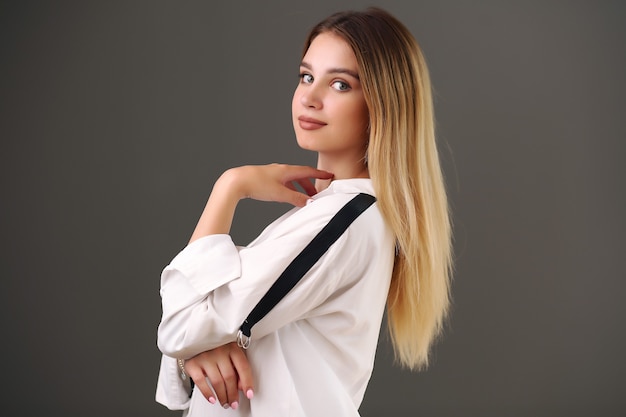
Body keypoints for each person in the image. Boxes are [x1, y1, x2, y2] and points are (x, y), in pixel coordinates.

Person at [155, 6, 453, 416]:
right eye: (307, 76)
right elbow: (190, 329)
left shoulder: (345, 218)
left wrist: (230, 186)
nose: (310, 97)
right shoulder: (333, 213)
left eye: (341, 85)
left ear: (383, 104)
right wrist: (196, 346)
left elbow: (179, 326)